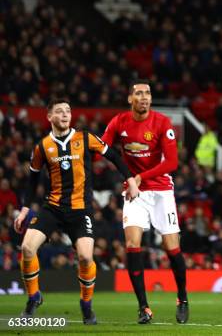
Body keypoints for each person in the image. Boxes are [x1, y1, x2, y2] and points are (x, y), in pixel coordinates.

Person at [13, 98, 140, 324]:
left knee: (84, 257)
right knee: (27, 248)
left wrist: (130, 179)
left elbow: (113, 156)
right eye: (59, 111)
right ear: (49, 117)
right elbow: (32, 182)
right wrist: (24, 210)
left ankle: (86, 305)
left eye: (68, 111)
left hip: (81, 210)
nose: (65, 115)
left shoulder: (85, 138)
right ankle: (33, 297)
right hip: (52, 208)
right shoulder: (42, 146)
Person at [101, 79, 187, 324]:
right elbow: (103, 146)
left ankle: (182, 298)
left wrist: (138, 176)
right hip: (134, 193)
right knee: (132, 244)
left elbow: (172, 163)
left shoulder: (162, 122)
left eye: (147, 93)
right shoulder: (119, 121)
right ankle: (143, 307)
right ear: (130, 99)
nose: (144, 97)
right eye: (138, 93)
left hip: (160, 191)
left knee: (172, 247)